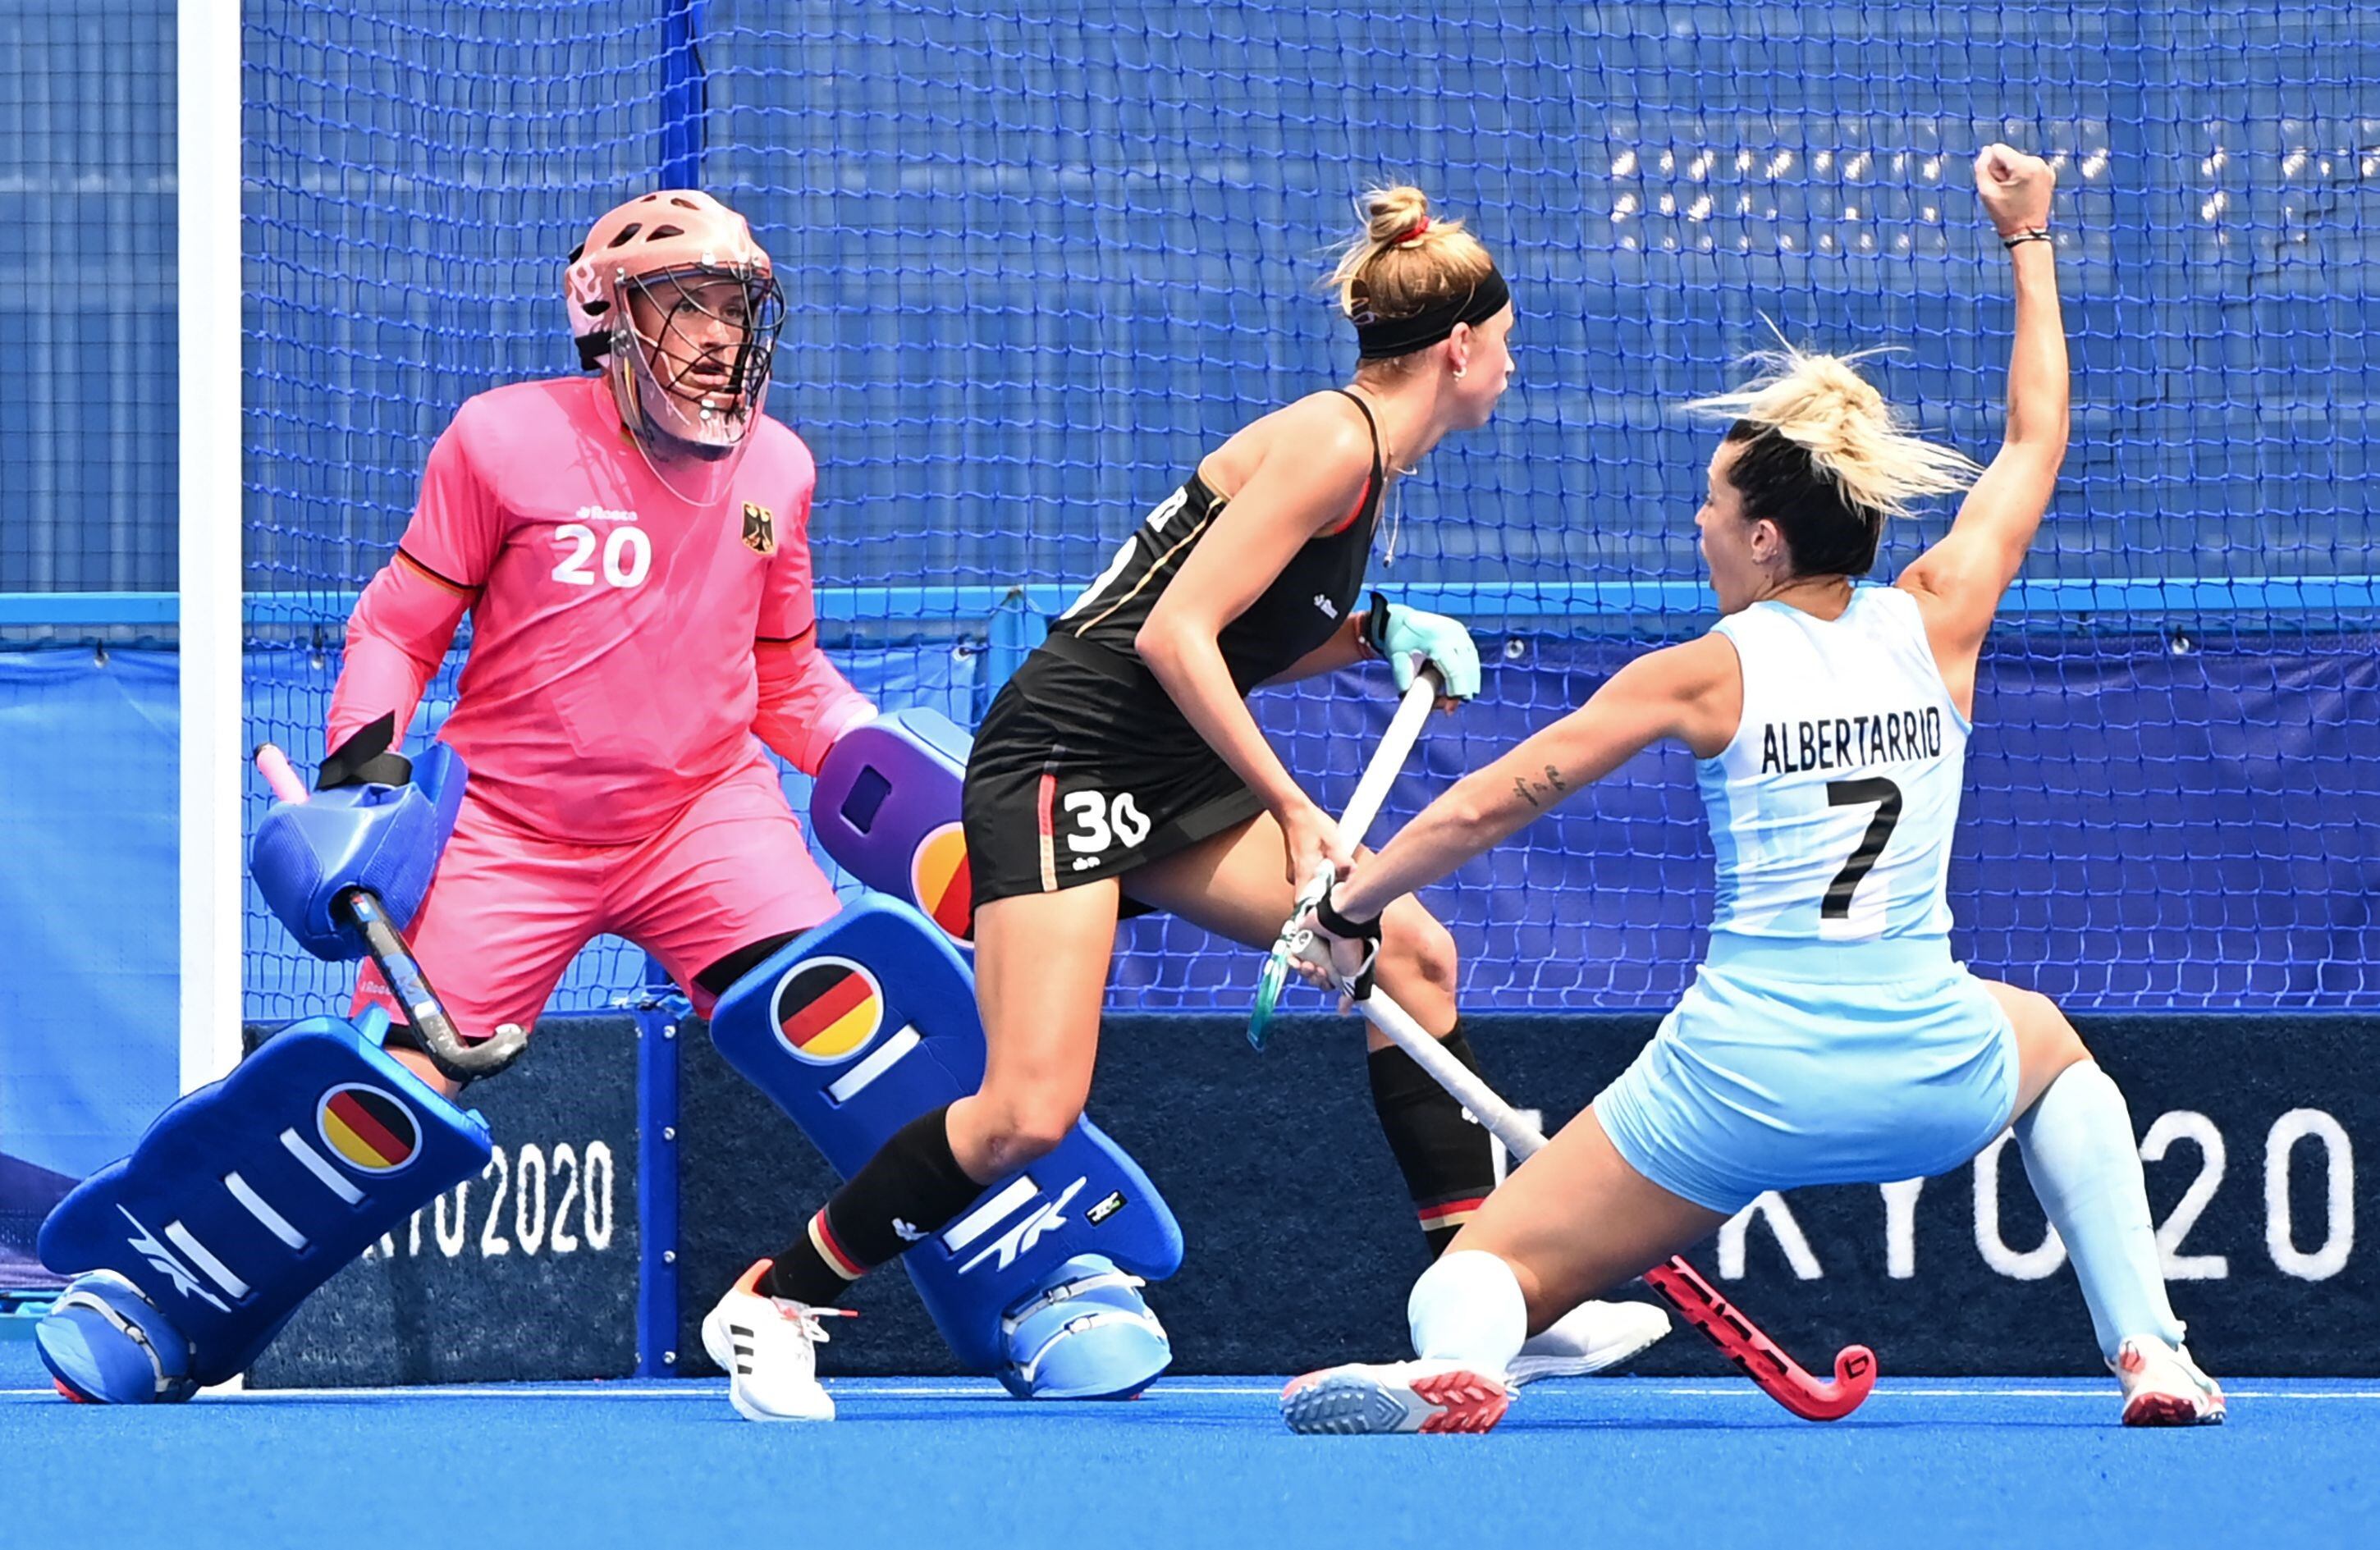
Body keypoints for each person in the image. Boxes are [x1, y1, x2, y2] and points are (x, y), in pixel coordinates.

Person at [1279, 147, 2225, 1433]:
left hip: (1736, 1087)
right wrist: (2027, 238)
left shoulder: (1703, 674)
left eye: (1713, 510)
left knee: (1484, 1264)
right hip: (1930, 1067)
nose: (1701, 527)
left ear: (1767, 539)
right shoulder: (1941, 618)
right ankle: (2154, 1354)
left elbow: (1498, 797)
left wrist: (1351, 905)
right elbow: (2035, 435)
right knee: (2058, 1059)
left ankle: (1475, 1365)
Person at [712, 186, 1669, 1421]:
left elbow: (1263, 623)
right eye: (1510, 341)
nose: (1512, 367)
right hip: (1066, 756)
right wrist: (1289, 808)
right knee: (1024, 1113)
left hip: (1155, 764)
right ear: (1460, 347)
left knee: (1413, 955)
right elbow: (1176, 634)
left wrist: (1380, 632)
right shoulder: (1335, 443)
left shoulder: (1361, 459)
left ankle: (1485, 1298)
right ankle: (776, 1302)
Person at [329, 189, 874, 1087]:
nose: (719, 335)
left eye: (735, 310)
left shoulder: (780, 466)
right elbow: (398, 628)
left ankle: (939, 1223)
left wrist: (884, 756)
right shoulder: (500, 437)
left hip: (703, 821)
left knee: (850, 1048)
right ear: (606, 312)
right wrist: (356, 765)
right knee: (386, 1112)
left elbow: (785, 680)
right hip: (503, 829)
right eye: (686, 302)